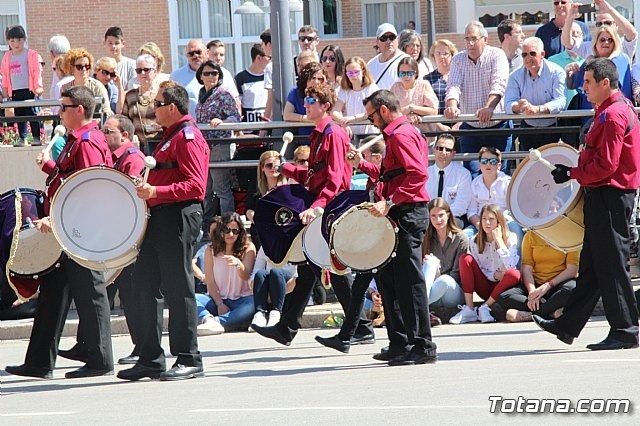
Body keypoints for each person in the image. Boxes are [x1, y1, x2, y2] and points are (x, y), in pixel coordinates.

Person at [4, 86, 114, 380]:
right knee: (53, 293)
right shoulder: (75, 139)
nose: (59, 112)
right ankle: (40, 361)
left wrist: (57, 222)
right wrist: (50, 167)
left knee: (91, 292)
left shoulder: (87, 141)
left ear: (79, 109)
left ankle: (101, 359)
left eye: (63, 107)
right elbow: (68, 179)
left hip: (79, 230)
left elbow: (90, 190)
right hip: (68, 229)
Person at [252, 83, 373, 347]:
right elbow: (313, 176)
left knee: (334, 267)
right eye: (305, 99)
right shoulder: (319, 133)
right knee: (311, 267)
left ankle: (360, 326)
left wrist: (317, 206)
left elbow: (334, 179)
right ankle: (289, 327)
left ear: (325, 106)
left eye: (310, 100)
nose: (304, 104)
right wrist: (285, 167)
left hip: (332, 207)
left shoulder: (334, 134)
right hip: (324, 205)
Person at [534, 58, 640, 351]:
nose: (584, 87)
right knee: (593, 266)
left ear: (605, 83)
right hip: (607, 196)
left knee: (613, 266)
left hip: (609, 195)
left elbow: (606, 166)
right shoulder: (615, 111)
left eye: (589, 82)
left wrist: (572, 173)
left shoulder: (612, 116)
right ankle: (568, 325)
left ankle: (625, 330)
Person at [117, 81, 210, 381]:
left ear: (172, 107)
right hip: (161, 216)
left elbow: (196, 186)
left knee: (178, 287)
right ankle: (150, 358)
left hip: (178, 215)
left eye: (157, 104)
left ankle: (189, 357)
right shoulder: (170, 137)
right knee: (144, 285)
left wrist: (156, 190)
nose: (152, 108)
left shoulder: (188, 136)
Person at [347, 89, 437, 366]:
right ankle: (400, 342)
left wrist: (389, 201)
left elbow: (417, 175)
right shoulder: (398, 134)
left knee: (409, 281)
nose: (371, 121)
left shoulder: (401, 135)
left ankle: (422, 344)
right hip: (400, 211)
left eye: (372, 115)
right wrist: (361, 165)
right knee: (389, 278)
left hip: (408, 211)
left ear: (384, 110)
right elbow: (393, 174)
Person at [57, 114, 146, 366]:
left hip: (125, 236)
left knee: (130, 295)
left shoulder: (133, 159)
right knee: (101, 291)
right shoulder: (117, 159)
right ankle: (85, 344)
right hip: (114, 234)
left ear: (124, 136)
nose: (104, 136)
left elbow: (127, 195)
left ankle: (141, 347)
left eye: (109, 132)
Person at [444, 21, 511, 176]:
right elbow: (453, 85)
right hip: (471, 127)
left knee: (500, 175)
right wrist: (452, 105)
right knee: (472, 175)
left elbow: (499, 83)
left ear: (485, 40)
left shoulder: (497, 55)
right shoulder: (458, 60)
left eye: (474, 39)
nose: (470, 43)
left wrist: (489, 107)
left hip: (497, 125)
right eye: (467, 39)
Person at [452, 204, 520, 324]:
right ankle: (470, 309)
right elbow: (480, 267)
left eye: (491, 219)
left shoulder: (510, 237)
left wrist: (499, 241)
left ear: (499, 221)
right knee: (465, 259)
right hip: (485, 284)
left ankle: (485, 307)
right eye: (484, 219)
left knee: (515, 274)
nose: (487, 222)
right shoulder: (474, 240)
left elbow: (510, 266)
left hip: (502, 288)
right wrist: (493, 275)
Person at [195, 60, 241, 227]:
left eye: (214, 73)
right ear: (201, 76)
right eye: (207, 73)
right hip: (204, 147)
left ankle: (228, 225)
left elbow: (236, 117)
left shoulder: (224, 93)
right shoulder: (201, 94)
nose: (211, 76)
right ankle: (207, 225)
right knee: (206, 188)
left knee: (222, 188)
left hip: (220, 144)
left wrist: (222, 121)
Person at [498, 231, 578, 322]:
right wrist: (532, 293)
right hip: (536, 284)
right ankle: (550, 312)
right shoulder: (530, 236)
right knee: (504, 296)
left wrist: (548, 285)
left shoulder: (570, 237)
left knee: (572, 289)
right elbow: (527, 268)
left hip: (558, 284)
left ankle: (532, 315)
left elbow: (572, 270)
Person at [196, 213, 256, 335]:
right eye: (226, 230)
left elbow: (246, 275)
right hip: (218, 299)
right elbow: (210, 282)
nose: (231, 234)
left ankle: (217, 322)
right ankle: (208, 319)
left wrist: (238, 264)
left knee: (254, 304)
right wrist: (220, 304)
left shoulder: (248, 248)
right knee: (192, 298)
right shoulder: (211, 250)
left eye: (235, 231)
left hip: (242, 299)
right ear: (220, 230)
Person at [504, 37, 567, 151]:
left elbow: (560, 101)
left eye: (532, 53)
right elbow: (508, 103)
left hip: (553, 128)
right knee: (529, 167)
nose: (528, 58)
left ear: (542, 54)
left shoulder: (556, 72)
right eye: (524, 55)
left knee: (553, 167)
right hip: (528, 129)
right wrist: (518, 107)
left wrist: (538, 109)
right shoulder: (515, 76)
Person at [422, 198, 469, 324]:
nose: (438, 220)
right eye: (433, 216)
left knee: (444, 280)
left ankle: (418, 308)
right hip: (432, 291)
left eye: (441, 215)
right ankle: (422, 310)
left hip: (453, 292)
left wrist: (438, 276)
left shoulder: (460, 238)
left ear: (448, 215)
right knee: (430, 262)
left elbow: (458, 274)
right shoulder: (426, 238)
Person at [1, 25, 43, 141]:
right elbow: (4, 74)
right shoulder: (7, 57)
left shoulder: (31, 54)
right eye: (12, 40)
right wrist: (4, 88)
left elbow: (37, 71)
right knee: (19, 114)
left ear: (24, 39)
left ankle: (36, 137)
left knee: (31, 113)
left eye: (19, 40)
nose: (16, 43)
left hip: (28, 89)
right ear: (8, 41)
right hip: (15, 90)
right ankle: (22, 137)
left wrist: (38, 87)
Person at [562, 0, 637, 60]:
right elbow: (567, 43)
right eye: (599, 24)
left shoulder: (623, 44)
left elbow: (632, 34)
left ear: (616, 25)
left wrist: (610, 10)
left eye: (607, 23)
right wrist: (570, 17)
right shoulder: (590, 46)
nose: (603, 27)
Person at [425, 133, 472, 227]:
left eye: (448, 150)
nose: (443, 152)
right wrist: (434, 217)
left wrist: (442, 217)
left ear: (453, 154)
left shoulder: (463, 174)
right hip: (429, 218)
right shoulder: (425, 174)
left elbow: (461, 205)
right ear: (434, 150)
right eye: (440, 148)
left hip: (453, 218)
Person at [120, 54, 161, 153]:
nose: (143, 73)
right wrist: (131, 135)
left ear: (155, 72)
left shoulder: (162, 93)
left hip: (160, 145)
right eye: (139, 71)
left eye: (146, 70)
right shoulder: (130, 96)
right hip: (139, 148)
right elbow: (125, 122)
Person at [332, 56, 379, 138]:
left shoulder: (372, 88)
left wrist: (351, 118)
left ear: (363, 71)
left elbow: (369, 113)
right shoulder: (344, 91)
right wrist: (344, 122)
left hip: (369, 132)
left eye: (356, 72)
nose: (353, 76)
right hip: (351, 134)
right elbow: (335, 111)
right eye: (349, 73)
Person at [389, 57, 439, 133]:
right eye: (402, 73)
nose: (406, 76)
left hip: (425, 134)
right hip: (402, 133)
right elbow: (391, 113)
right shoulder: (395, 87)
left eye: (410, 73)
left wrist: (413, 108)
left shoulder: (424, 85)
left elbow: (434, 111)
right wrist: (407, 116)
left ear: (416, 73)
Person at [61, 48, 112, 117]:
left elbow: (107, 111)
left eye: (87, 66)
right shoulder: (65, 88)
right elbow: (63, 112)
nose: (84, 69)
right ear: (71, 68)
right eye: (80, 67)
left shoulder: (97, 86)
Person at [283, 62, 326, 136]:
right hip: (304, 138)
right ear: (305, 78)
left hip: (323, 136)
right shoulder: (295, 92)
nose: (316, 82)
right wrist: (307, 118)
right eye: (313, 78)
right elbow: (287, 115)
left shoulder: (326, 92)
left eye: (319, 79)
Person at [424, 39, 458, 131]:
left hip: (460, 125)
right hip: (436, 128)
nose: (442, 57)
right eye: (438, 53)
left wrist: (459, 125)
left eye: (445, 53)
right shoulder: (427, 80)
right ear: (433, 56)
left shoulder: (459, 76)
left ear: (452, 55)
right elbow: (425, 107)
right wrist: (439, 126)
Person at [169, 39, 208, 116]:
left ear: (207, 52)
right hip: (189, 126)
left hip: (215, 126)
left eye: (198, 52)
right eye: (191, 53)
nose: (195, 56)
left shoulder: (222, 73)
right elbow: (170, 102)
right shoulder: (176, 76)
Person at [235, 43, 270, 126]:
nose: (271, 60)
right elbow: (237, 105)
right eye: (269, 57)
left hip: (268, 126)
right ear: (258, 58)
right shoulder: (241, 78)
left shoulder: (270, 76)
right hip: (248, 129)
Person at [367, 23, 407, 90]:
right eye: (383, 38)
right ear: (377, 42)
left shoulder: (407, 61)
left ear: (398, 39)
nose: (388, 41)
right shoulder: (370, 65)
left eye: (392, 37)